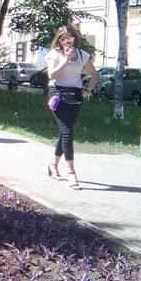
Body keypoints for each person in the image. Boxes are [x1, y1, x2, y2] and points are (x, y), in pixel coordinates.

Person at [45, 25, 99, 190]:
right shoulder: (54, 54)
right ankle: (71, 173)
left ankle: (53, 165)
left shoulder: (82, 55)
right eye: (62, 38)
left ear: (74, 38)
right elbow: (51, 75)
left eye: (69, 37)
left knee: (65, 132)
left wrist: (88, 89)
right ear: (59, 40)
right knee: (67, 131)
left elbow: (95, 75)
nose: (66, 41)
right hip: (57, 93)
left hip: (75, 95)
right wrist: (65, 60)